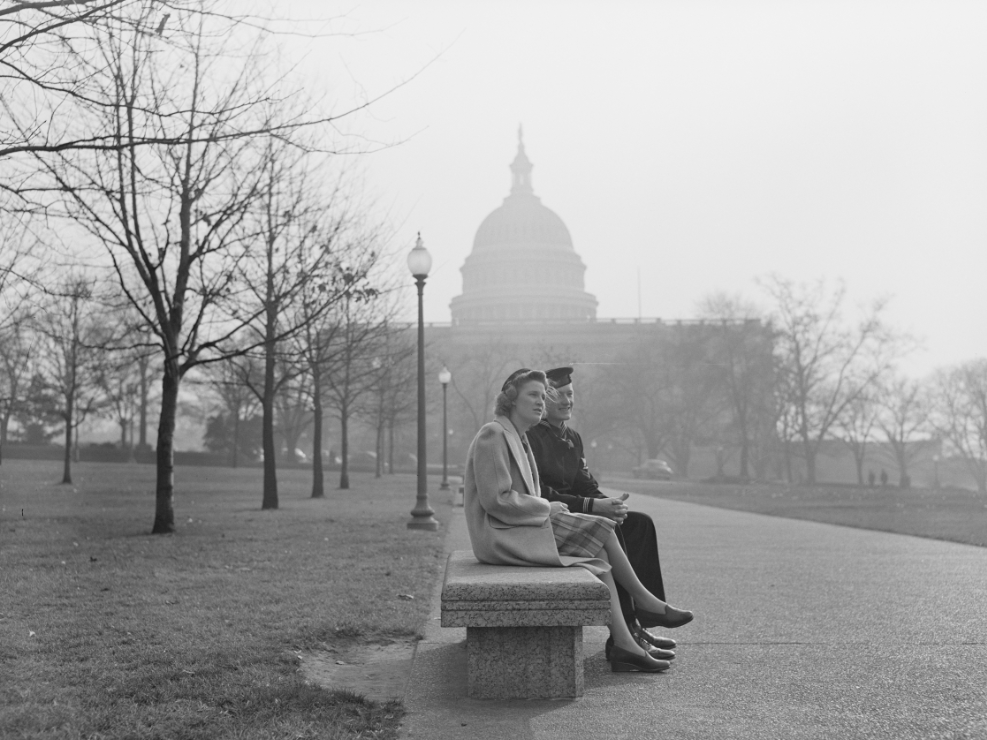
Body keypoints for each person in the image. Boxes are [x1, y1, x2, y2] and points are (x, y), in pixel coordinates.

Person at [463, 367, 694, 673]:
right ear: (511, 400)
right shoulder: (493, 434)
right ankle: (645, 602)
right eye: (532, 395)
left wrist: (573, 505)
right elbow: (497, 501)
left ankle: (625, 642)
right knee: (602, 529)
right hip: (501, 534)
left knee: (599, 552)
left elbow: (570, 485)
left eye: (541, 397)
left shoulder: (519, 437)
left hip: (521, 526)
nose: (540, 403)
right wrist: (548, 508)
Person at [527, 366, 677, 659]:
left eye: (571, 394)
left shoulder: (572, 437)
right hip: (554, 518)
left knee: (640, 524)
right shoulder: (532, 438)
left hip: (583, 513)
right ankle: (624, 635)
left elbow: (586, 484)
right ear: (544, 401)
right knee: (611, 528)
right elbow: (541, 493)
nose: (568, 401)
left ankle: (638, 624)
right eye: (559, 396)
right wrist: (593, 507)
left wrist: (611, 504)